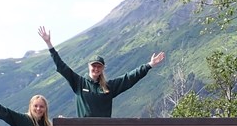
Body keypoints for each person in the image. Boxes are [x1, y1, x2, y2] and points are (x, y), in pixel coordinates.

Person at [37, 26, 165, 118]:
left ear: (103, 68)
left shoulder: (108, 87)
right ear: (89, 66)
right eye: (94, 66)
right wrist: (49, 44)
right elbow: (62, 67)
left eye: (99, 66)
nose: (96, 69)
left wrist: (149, 65)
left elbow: (129, 78)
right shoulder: (79, 83)